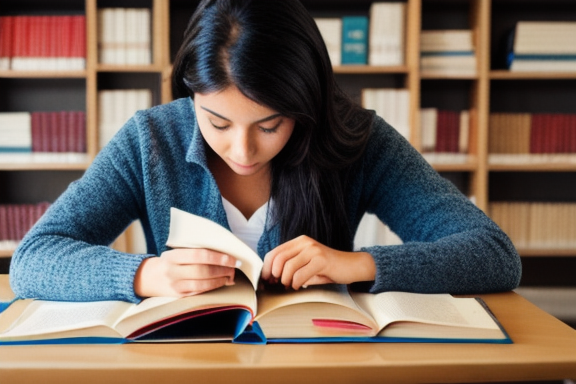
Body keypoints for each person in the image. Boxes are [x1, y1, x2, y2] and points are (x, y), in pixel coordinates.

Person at [10, 0, 521, 303]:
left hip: (319, 369)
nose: (243, 149)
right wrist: (146, 274)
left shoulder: (359, 139)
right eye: (217, 121)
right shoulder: (150, 139)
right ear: (192, 95)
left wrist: (358, 264)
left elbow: (494, 255)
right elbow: (33, 259)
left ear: (305, 104)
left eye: (271, 124)